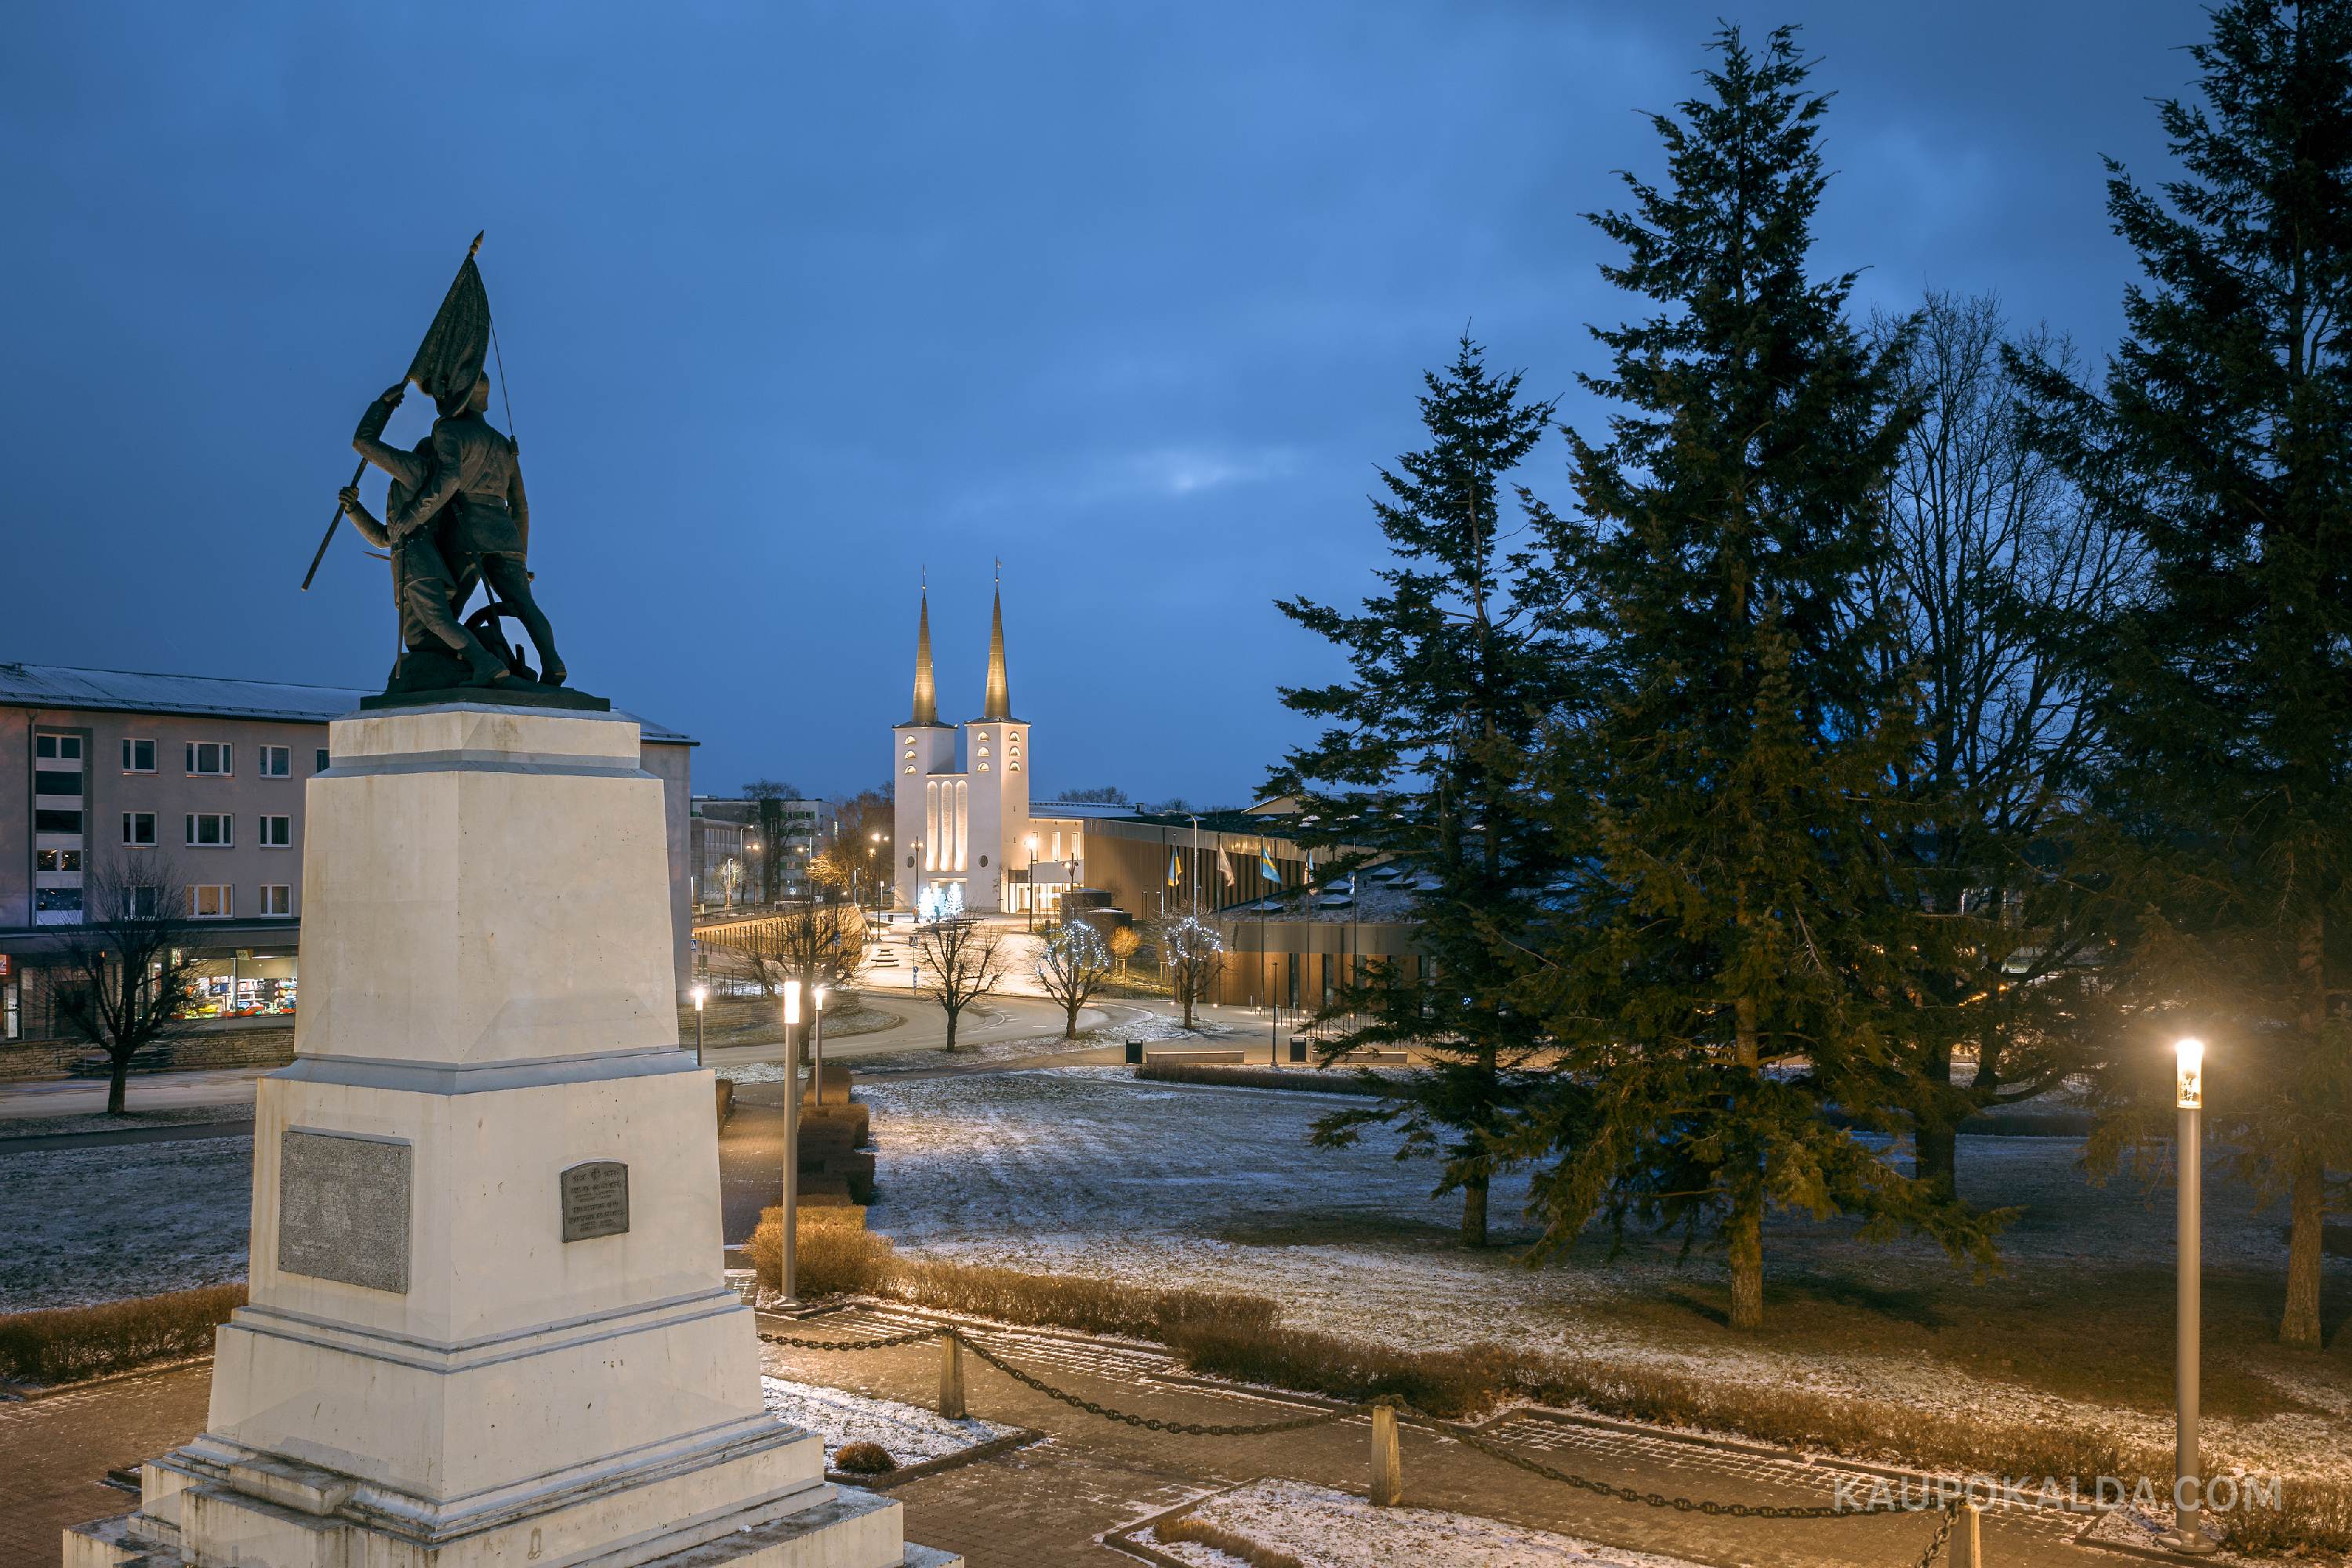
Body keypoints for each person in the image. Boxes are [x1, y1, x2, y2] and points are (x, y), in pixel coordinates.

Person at [390, 373, 565, 687]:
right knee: (526, 606)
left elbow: (448, 482)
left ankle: (475, 662)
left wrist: (414, 516)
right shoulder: (503, 444)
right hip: (505, 535)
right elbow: (521, 507)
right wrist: (521, 556)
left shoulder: (448, 430)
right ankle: (553, 664)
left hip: (466, 536)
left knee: (441, 617)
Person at [346, 382, 510, 688]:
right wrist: (354, 510)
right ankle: (477, 654)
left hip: (420, 565)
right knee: (421, 640)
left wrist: (383, 406)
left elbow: (363, 442)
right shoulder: (408, 483)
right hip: (409, 566)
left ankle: (484, 661)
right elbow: (386, 538)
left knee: (438, 622)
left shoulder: (417, 470)